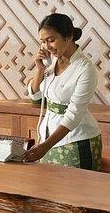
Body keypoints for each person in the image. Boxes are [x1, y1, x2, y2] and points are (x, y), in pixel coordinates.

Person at [23, 13, 102, 169]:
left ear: (68, 37)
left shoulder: (85, 69)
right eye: (43, 42)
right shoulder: (51, 62)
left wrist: (45, 146)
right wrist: (40, 69)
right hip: (47, 139)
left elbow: (74, 114)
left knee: (75, 186)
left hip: (76, 140)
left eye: (51, 40)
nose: (47, 46)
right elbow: (36, 98)